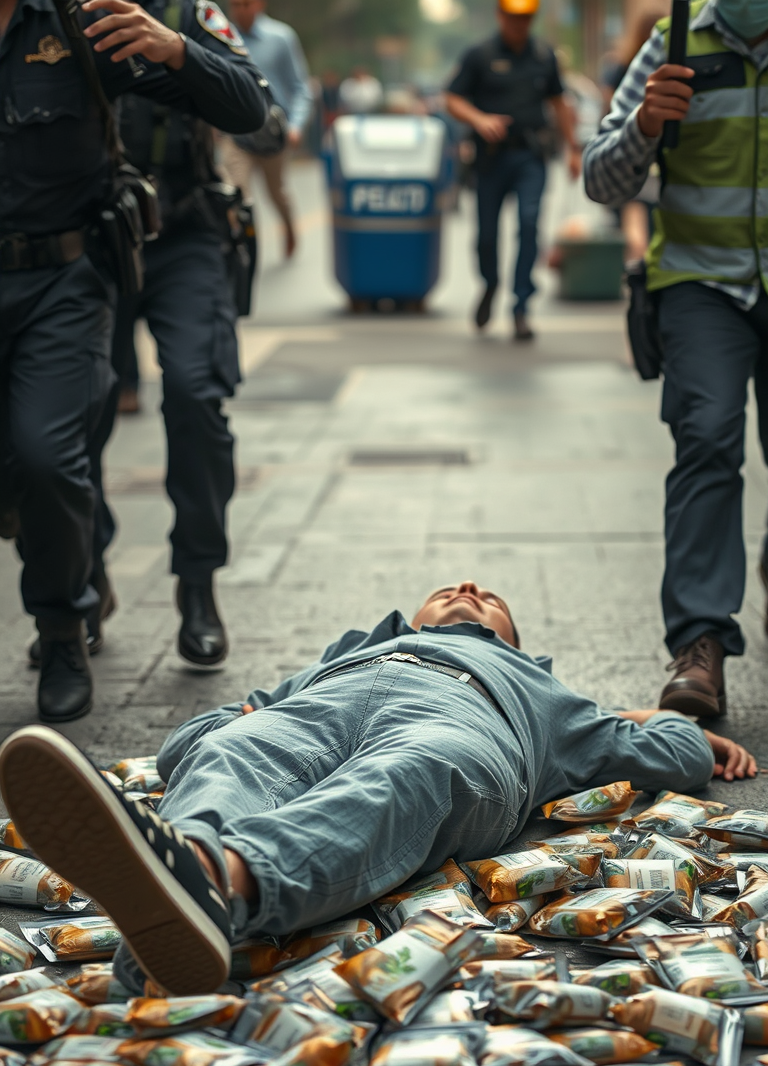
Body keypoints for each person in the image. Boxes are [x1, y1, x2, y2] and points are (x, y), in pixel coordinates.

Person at [0, 579, 755, 996]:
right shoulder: (349, 653)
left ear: (515, 644)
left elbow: (670, 752)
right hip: (319, 708)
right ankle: (181, 881)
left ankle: (215, 882)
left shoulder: (548, 697)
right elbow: (190, 743)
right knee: (235, 752)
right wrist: (243, 719)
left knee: (401, 779)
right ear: (409, 618)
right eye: (450, 588)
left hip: (465, 726)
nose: (469, 587)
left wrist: (656, 717)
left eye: (492, 601)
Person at [0, 0, 269, 724]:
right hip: (98, 246)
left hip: (167, 238)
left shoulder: (138, 15)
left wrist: (178, 47)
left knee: (188, 392)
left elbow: (257, 108)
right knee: (60, 441)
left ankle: (194, 581)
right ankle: (84, 572)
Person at [583, 0, 768, 719]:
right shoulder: (676, 42)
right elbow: (600, 179)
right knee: (709, 437)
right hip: (700, 284)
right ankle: (699, 643)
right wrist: (644, 125)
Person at [446, 0, 582, 340]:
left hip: (530, 156)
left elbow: (558, 102)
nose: (519, 24)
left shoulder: (543, 56)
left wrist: (573, 149)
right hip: (491, 158)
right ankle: (490, 285)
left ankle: (521, 305)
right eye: (512, 17)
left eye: (526, 18)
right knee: (487, 234)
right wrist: (479, 119)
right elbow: (452, 98)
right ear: (500, 16)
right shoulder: (480, 55)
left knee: (529, 221)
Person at [220, 0, 312, 259]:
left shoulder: (281, 37)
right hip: (237, 134)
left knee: (276, 193)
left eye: (245, 4)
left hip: (273, 134)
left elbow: (301, 88)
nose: (240, 10)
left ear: (259, 5)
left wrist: (295, 126)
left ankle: (289, 226)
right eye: (235, 5)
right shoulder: (221, 37)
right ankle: (243, 249)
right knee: (236, 193)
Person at [599, 3, 668, 265]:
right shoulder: (672, 66)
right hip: (655, 159)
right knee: (649, 231)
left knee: (636, 230)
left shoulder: (622, 68)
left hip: (631, 156)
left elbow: (607, 112)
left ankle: (637, 276)